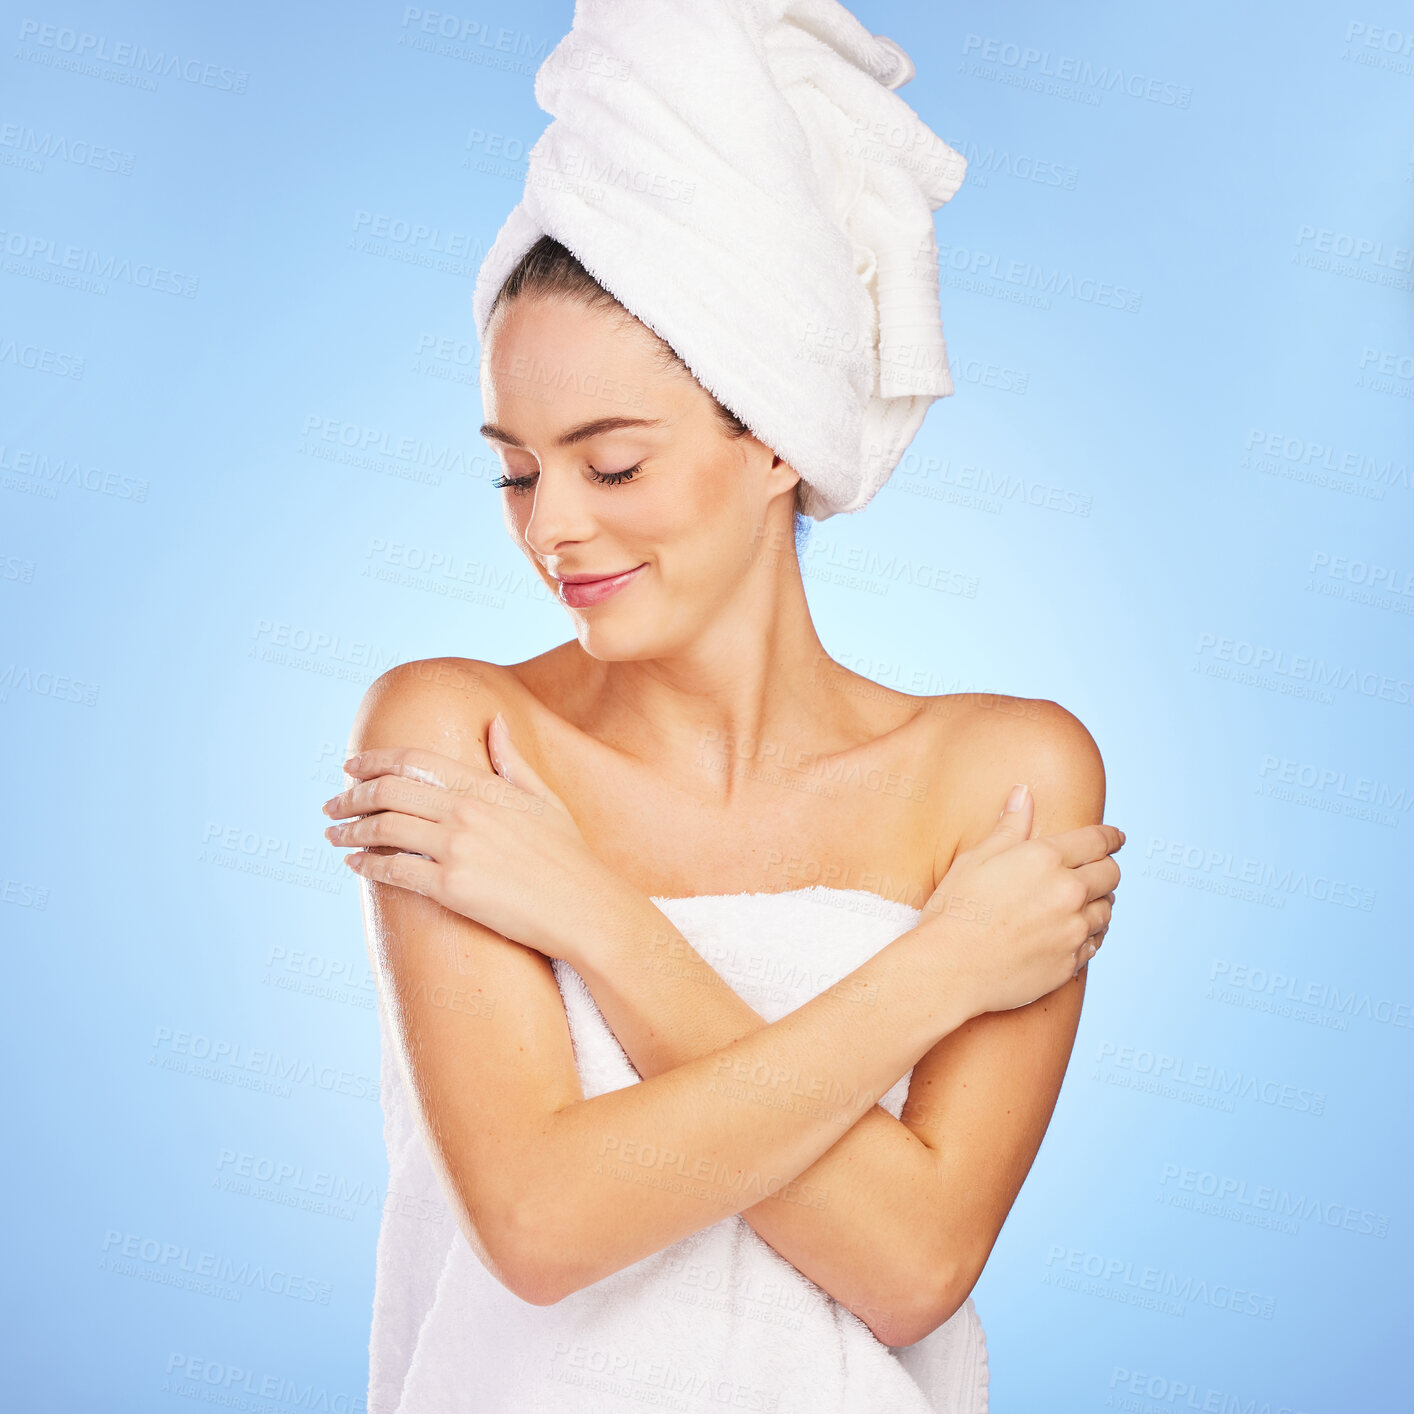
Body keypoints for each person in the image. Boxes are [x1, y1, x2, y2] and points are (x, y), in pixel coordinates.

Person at [322, 5, 1123, 1411]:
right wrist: (942, 968)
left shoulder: (1006, 772)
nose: (552, 527)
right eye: (515, 470)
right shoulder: (456, 734)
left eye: (611, 464)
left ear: (770, 439)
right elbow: (541, 1224)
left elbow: (911, 1263)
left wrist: (593, 919)